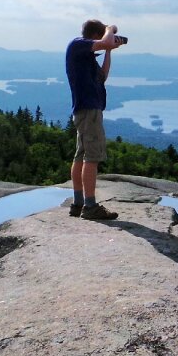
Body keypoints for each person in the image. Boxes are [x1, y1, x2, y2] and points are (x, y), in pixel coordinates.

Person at [65, 19, 124, 220]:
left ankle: (78, 203)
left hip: (87, 109)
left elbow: (102, 76)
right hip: (88, 110)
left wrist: (109, 52)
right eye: (103, 37)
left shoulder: (86, 56)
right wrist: (111, 29)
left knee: (81, 155)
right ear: (96, 35)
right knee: (92, 156)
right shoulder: (77, 44)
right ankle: (90, 206)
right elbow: (106, 40)